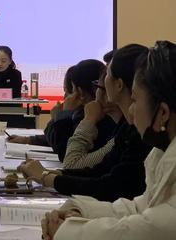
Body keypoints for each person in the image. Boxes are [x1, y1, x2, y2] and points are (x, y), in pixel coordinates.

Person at [42, 41, 176, 240]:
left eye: (135, 100)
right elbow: (139, 206)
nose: (131, 109)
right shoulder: (160, 151)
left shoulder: (146, 143)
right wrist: (81, 210)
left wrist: (67, 231)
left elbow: (151, 227)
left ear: (163, 113)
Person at [20, 44, 152, 203]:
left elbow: (106, 184)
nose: (98, 88)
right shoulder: (125, 127)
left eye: (104, 77)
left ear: (118, 84)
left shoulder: (136, 130)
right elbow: (100, 171)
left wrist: (47, 178)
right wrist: (50, 174)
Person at [10, 61, 115, 161]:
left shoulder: (92, 117)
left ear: (80, 92)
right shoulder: (87, 114)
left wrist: (61, 118)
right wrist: (28, 140)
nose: (65, 97)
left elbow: (63, 151)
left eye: (68, 91)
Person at [62, 69, 123, 169]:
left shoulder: (125, 135)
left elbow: (70, 164)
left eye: (98, 86)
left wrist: (88, 120)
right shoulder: (121, 129)